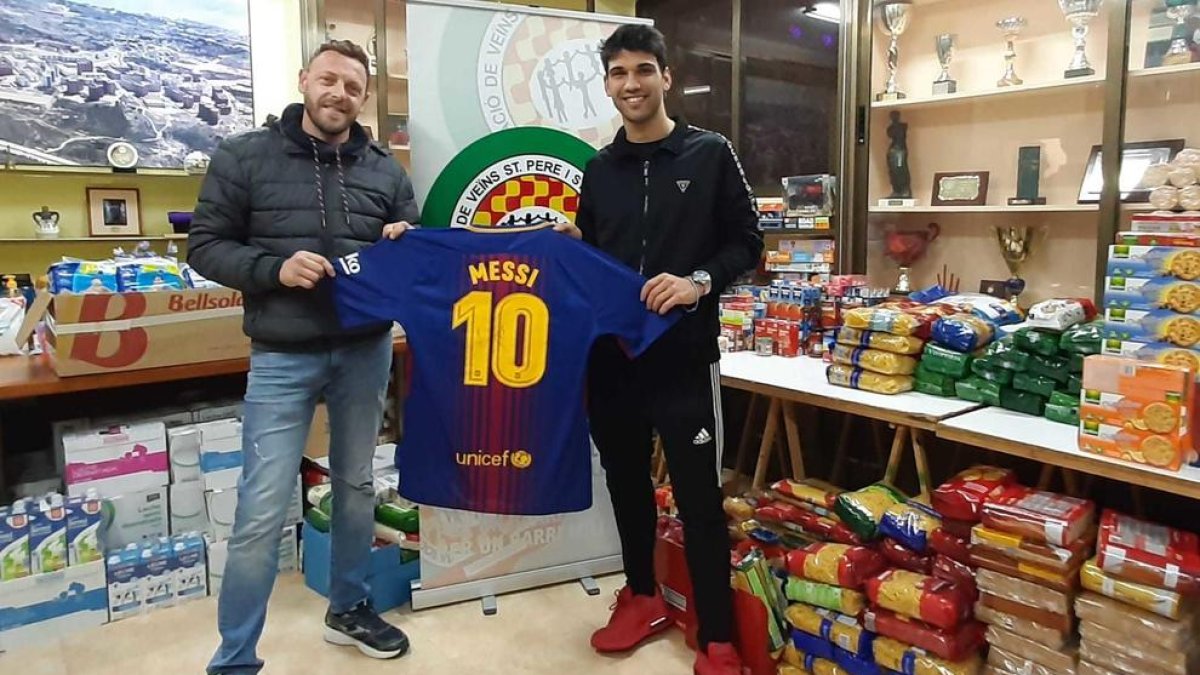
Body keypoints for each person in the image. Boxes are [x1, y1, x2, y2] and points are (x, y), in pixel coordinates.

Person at [188, 40, 419, 674]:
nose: (338, 93)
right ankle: (235, 657)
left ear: (363, 96)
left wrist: (405, 240)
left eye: (351, 85)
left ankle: (348, 609)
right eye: (328, 80)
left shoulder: (386, 171)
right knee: (261, 509)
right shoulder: (244, 156)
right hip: (282, 354)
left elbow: (410, 255)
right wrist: (273, 268)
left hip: (365, 352)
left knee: (355, 489)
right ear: (304, 81)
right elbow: (204, 246)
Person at [554, 24, 763, 675]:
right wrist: (566, 238)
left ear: (666, 76)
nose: (631, 84)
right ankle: (642, 595)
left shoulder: (709, 154)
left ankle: (719, 635)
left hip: (682, 358)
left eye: (643, 70)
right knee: (626, 484)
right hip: (612, 360)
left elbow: (747, 242)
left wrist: (697, 282)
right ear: (608, 82)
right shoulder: (598, 168)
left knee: (699, 497)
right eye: (618, 73)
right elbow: (591, 254)